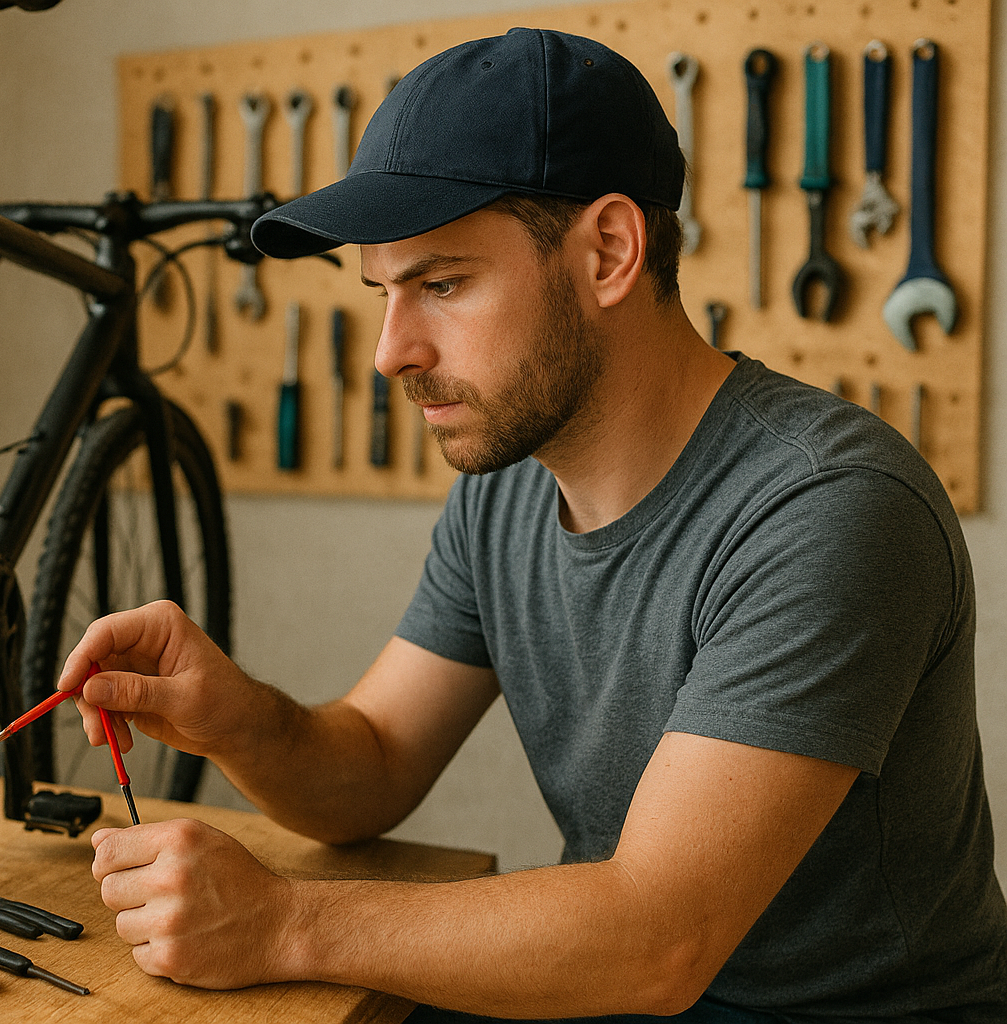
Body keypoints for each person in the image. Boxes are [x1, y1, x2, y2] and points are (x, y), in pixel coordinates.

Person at [58, 28, 1007, 1023]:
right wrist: (235, 715)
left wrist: (282, 922)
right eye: (383, 292)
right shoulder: (507, 487)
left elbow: (656, 938)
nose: (391, 352)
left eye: (443, 284)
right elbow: (374, 762)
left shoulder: (828, 507)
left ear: (608, 251)